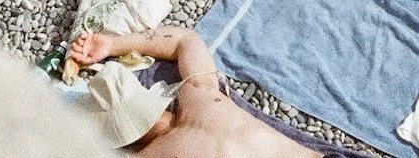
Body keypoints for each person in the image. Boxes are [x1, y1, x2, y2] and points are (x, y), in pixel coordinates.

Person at [67, 22, 323, 152]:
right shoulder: (203, 98)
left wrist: (113, 45)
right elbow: (185, 40)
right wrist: (112, 45)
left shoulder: (202, 98)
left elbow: (185, 41)